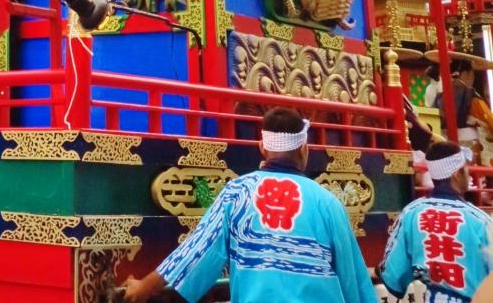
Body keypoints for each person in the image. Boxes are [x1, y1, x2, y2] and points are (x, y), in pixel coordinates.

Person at [122, 107, 377, 302]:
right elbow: (352, 277)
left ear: (262, 149)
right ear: (304, 149)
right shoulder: (327, 202)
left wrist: (143, 288)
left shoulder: (237, 193)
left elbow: (195, 252)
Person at [378, 139, 492, 301]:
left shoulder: (411, 213)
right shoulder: (480, 220)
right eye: (465, 168)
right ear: (456, 173)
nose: (468, 173)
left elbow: (393, 274)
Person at [433, 56, 493, 161]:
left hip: (446, 147)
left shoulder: (439, 97)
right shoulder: (472, 97)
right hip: (470, 149)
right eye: (472, 73)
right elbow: (490, 122)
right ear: (466, 73)